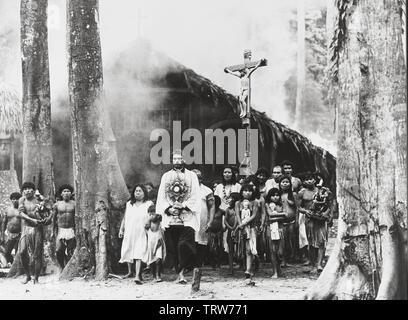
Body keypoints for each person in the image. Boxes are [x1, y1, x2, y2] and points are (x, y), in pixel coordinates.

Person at [156, 150, 201, 284]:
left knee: (184, 245)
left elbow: (195, 195)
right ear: (172, 160)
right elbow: (161, 196)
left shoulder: (192, 175)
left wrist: (183, 206)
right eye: (174, 159)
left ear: (184, 160)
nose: (177, 161)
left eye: (179, 158)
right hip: (171, 218)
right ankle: (180, 274)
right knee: (173, 247)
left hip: (187, 217)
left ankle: (185, 270)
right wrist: (169, 209)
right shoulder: (166, 176)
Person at [119, 184, 154, 284]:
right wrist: (121, 229)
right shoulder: (129, 204)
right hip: (130, 231)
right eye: (136, 191)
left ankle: (138, 275)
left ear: (144, 193)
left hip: (142, 232)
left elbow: (151, 217)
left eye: (140, 191)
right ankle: (130, 272)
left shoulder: (148, 203)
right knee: (128, 249)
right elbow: (125, 217)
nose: (137, 193)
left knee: (139, 251)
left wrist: (149, 227)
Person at [18, 182, 52, 284]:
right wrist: (31, 219)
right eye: (25, 189)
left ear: (33, 190)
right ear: (23, 191)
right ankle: (28, 275)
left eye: (30, 189)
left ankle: (36, 278)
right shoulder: (22, 200)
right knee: (22, 252)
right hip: (26, 228)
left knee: (37, 254)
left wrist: (47, 219)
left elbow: (50, 211)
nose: (28, 191)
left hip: (37, 228)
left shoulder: (39, 200)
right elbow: (21, 213)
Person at [305, 180, 332, 273]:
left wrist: (328, 214)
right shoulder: (309, 193)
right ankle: (313, 264)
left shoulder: (327, 193)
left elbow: (330, 206)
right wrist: (308, 211)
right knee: (311, 243)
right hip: (311, 220)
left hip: (322, 220)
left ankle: (319, 264)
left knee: (321, 242)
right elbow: (304, 207)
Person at [235, 183, 259, 284]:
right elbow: (237, 215)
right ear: (241, 192)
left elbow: (254, 215)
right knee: (242, 249)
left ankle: (248, 270)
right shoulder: (238, 203)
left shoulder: (255, 202)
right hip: (241, 229)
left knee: (250, 249)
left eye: (249, 190)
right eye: (245, 190)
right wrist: (240, 224)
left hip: (251, 228)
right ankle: (246, 266)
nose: (247, 193)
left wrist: (245, 223)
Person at [192, 169, 215, 267]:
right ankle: (189, 265)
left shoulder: (207, 190)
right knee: (189, 242)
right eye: (195, 177)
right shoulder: (186, 190)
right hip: (189, 220)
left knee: (201, 242)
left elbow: (212, 206)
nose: (197, 179)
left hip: (202, 220)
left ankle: (198, 265)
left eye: (199, 177)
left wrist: (210, 221)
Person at [51, 185, 76, 271]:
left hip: (71, 229)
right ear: (61, 194)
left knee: (70, 250)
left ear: (71, 193)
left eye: (68, 191)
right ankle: (61, 267)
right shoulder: (57, 205)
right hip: (61, 229)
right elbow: (54, 218)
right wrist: (52, 231)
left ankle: (68, 269)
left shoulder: (74, 204)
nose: (66, 193)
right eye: (64, 191)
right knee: (58, 250)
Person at [297, 174, 318, 266]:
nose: (309, 181)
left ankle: (318, 259)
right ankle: (309, 258)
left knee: (318, 238)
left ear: (315, 180)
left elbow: (328, 203)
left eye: (311, 179)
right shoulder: (302, 192)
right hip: (307, 217)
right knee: (307, 238)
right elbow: (298, 207)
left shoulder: (320, 191)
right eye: (307, 180)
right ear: (304, 182)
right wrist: (305, 211)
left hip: (319, 217)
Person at [265, 188, 286, 278]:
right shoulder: (267, 204)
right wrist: (281, 215)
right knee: (273, 251)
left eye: (277, 195)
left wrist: (275, 216)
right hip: (271, 229)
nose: (275, 197)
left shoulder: (282, 205)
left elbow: (287, 215)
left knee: (280, 251)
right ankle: (275, 271)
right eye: (273, 195)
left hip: (280, 229)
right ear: (270, 197)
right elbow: (270, 215)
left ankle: (279, 269)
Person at [279, 175, 298, 267]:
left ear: (290, 184)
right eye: (283, 182)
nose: (285, 184)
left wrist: (297, 220)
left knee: (291, 240)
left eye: (287, 182)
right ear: (280, 184)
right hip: (281, 221)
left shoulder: (293, 194)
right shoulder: (278, 195)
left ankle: (292, 257)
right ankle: (283, 260)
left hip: (292, 221)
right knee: (283, 241)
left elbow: (298, 208)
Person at [143, 214, 166, 282]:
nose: (156, 224)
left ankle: (158, 275)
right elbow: (146, 226)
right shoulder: (148, 230)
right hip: (151, 247)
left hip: (158, 245)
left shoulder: (161, 229)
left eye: (158, 223)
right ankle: (154, 276)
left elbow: (162, 239)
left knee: (158, 260)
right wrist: (150, 218)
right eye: (155, 223)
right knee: (152, 262)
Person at [1, 192, 22, 265]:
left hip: (20, 234)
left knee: (17, 252)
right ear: (11, 200)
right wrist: (2, 235)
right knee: (6, 252)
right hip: (10, 234)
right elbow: (4, 222)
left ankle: (17, 268)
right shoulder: (8, 210)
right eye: (13, 199)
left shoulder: (22, 209)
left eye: (17, 199)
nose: (15, 201)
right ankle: (13, 264)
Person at [207, 195, 224, 269]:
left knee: (220, 247)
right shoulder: (209, 211)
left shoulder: (221, 211)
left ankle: (219, 263)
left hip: (219, 232)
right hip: (211, 232)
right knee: (211, 248)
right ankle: (213, 263)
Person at [224, 192, 239, 275]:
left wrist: (235, 228)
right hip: (230, 231)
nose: (229, 199)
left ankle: (243, 265)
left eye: (231, 198)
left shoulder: (239, 209)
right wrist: (230, 228)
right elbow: (225, 220)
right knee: (231, 250)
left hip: (238, 231)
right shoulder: (228, 210)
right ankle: (231, 267)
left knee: (241, 248)